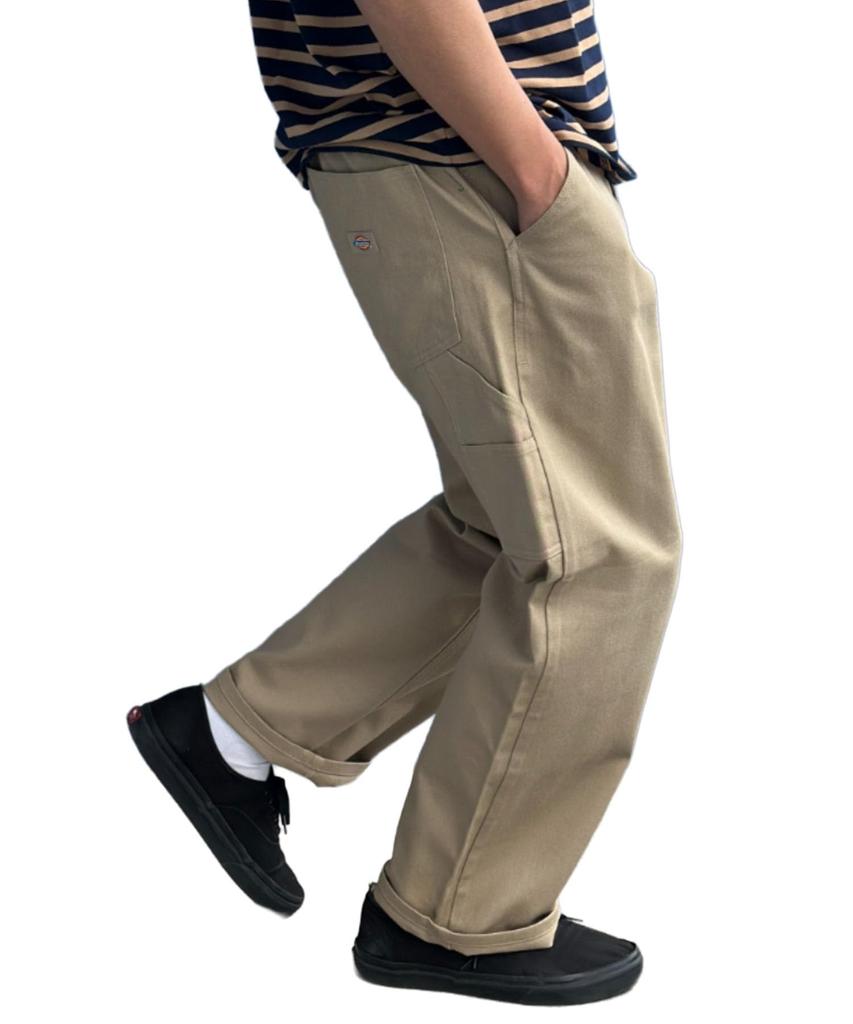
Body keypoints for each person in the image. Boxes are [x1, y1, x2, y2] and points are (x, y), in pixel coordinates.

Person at [127, 0, 682, 1006]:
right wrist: (535, 169)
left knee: (510, 524)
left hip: (436, 153)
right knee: (598, 555)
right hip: (468, 154)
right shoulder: (504, 163)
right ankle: (457, 917)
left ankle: (236, 731)